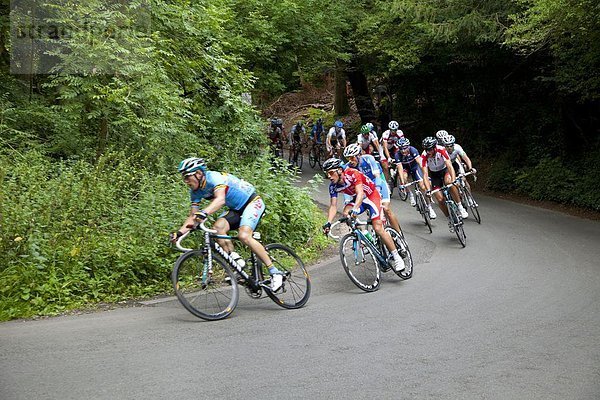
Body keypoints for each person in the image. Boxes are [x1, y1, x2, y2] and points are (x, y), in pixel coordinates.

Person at [170, 157, 283, 291]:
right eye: (184, 178)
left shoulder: (214, 178)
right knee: (217, 228)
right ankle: (237, 262)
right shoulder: (195, 192)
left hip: (252, 203)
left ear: (199, 174)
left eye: (188, 177)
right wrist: (179, 233)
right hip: (236, 209)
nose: (186, 181)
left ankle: (275, 272)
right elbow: (192, 216)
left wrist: (204, 212)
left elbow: (220, 200)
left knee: (244, 236)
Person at [321, 158, 407, 272]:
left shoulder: (352, 173)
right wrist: (328, 223)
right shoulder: (333, 186)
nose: (329, 176)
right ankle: (365, 236)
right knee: (346, 213)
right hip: (358, 199)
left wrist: (356, 208)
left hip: (371, 196)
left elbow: (360, 193)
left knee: (378, 228)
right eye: (327, 174)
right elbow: (333, 205)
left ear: (340, 171)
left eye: (331, 172)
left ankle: (397, 257)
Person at [343, 143, 403, 235]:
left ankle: (400, 235)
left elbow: (377, 176)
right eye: (348, 158)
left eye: (352, 157)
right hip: (364, 191)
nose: (350, 161)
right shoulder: (348, 167)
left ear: (358, 155)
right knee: (354, 214)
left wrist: (378, 190)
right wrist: (347, 201)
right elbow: (346, 186)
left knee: (386, 209)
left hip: (377, 185)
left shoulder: (368, 159)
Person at [420, 137, 469, 232]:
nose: (428, 152)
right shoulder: (424, 156)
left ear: (434, 147)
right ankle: (449, 219)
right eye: (426, 149)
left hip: (444, 170)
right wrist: (428, 190)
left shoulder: (441, 149)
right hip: (434, 175)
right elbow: (425, 175)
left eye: (430, 149)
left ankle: (460, 206)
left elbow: (449, 166)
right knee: (440, 199)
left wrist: (454, 180)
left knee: (449, 182)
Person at [395, 138, 436, 218]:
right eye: (401, 149)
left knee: (422, 186)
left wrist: (425, 175)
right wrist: (403, 183)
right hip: (405, 168)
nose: (403, 151)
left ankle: (430, 207)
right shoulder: (397, 155)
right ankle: (410, 194)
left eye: (405, 148)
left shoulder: (413, 150)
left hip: (415, 167)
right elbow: (400, 168)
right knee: (403, 177)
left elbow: (420, 162)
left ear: (408, 146)